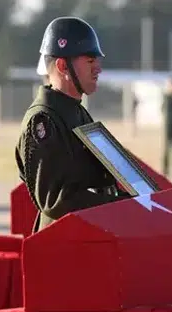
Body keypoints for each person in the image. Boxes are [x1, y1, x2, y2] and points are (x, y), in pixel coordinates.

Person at [16, 17, 127, 232]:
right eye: (90, 61)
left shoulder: (74, 112)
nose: (98, 69)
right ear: (62, 65)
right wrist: (119, 206)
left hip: (89, 237)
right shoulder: (44, 121)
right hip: (62, 244)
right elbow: (56, 200)